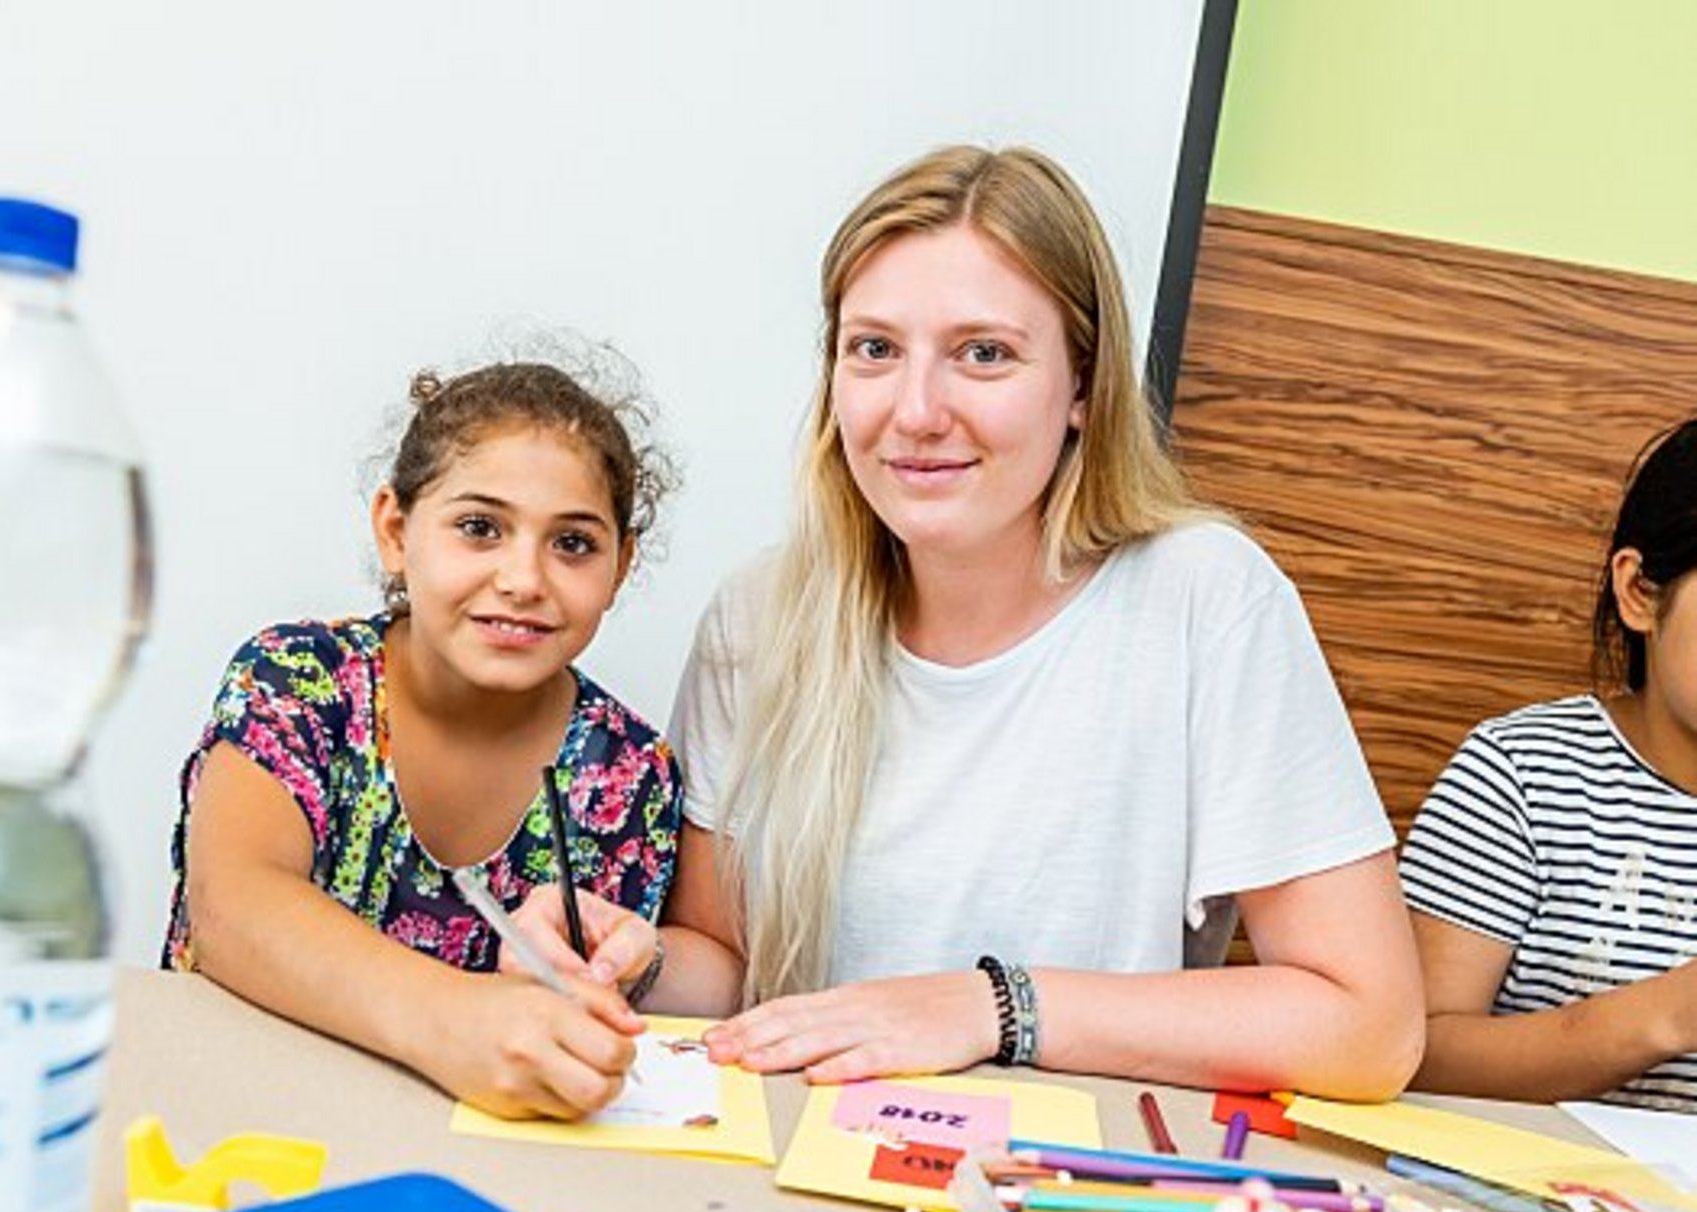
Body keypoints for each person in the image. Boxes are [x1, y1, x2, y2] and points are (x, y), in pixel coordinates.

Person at [516, 144, 1424, 1098]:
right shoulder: (758, 614)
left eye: (982, 354)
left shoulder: (1207, 599)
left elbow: (1369, 1026)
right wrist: (636, 959)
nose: (915, 411)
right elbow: (732, 968)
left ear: (1082, 385)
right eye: (874, 350)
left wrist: (990, 1006)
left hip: (1060, 1190)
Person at [162, 356, 683, 1120]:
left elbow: (660, 988)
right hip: (231, 1112)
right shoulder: (297, 681)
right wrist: (456, 1019)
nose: (523, 578)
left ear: (620, 564)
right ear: (396, 531)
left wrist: (631, 963)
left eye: (572, 543)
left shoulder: (629, 772)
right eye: (480, 528)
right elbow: (231, 901)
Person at [1400, 418, 1697, 1110]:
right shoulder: (1522, 774)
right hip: (1538, 1205)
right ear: (1640, 594)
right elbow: (1412, 1050)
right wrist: (1671, 1014)